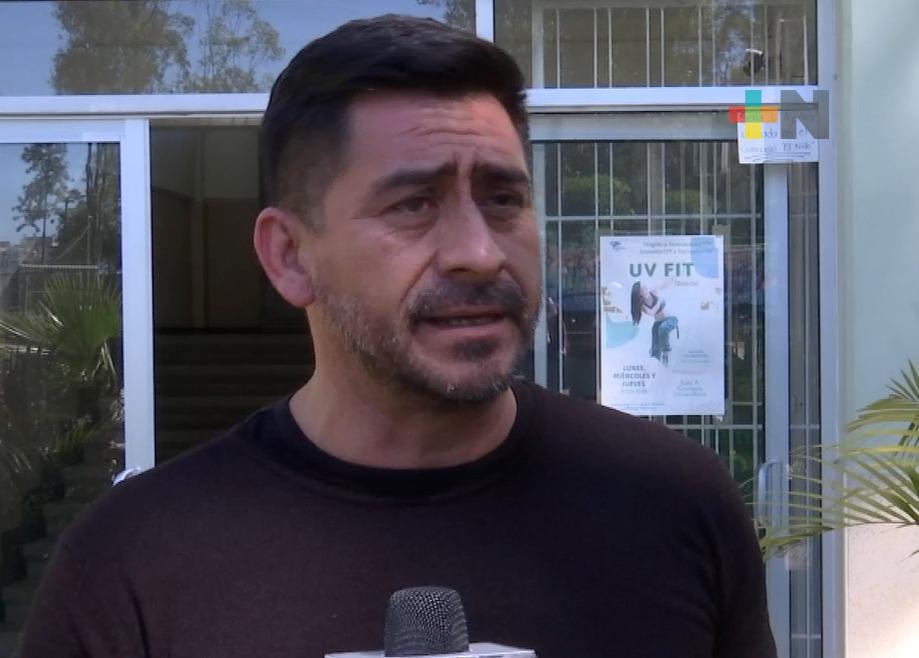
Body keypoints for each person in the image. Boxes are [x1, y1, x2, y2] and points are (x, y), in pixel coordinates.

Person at [19, 15, 775, 658]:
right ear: (290, 257)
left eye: (502, 198)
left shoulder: (674, 504)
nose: (479, 253)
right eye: (413, 204)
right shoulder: (134, 563)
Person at [630, 280, 680, 364]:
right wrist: (659, 301)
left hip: (671, 319)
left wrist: (673, 279)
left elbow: (663, 284)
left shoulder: (653, 292)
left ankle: (666, 352)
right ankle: (656, 361)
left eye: (644, 287)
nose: (645, 289)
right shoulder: (642, 305)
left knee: (663, 328)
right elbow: (652, 312)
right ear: (639, 294)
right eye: (642, 289)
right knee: (655, 344)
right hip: (658, 323)